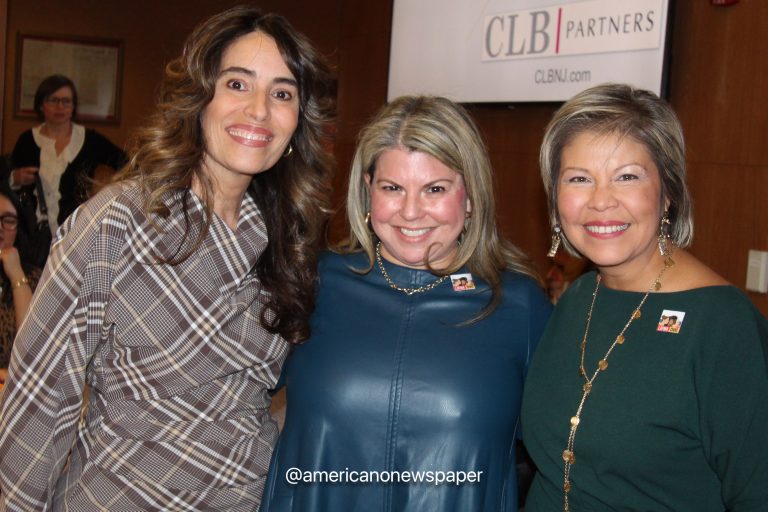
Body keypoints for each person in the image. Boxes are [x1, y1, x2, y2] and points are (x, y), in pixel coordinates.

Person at [0, 5, 335, 510]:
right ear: (199, 99)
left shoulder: (290, 238)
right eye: (238, 84)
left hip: (245, 496)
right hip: (117, 494)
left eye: (282, 93)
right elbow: (42, 395)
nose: (260, 110)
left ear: (297, 122)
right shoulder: (118, 219)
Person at [260, 95, 552, 511]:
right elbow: (223, 400)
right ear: (368, 191)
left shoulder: (520, 307)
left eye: (434, 189)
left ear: (470, 197)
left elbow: (572, 450)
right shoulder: (312, 283)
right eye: (393, 188)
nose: (411, 212)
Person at [521, 83, 768, 511]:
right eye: (579, 179)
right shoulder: (579, 295)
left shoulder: (723, 325)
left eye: (627, 177)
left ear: (667, 192)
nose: (600, 201)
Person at [5, 74, 128, 267]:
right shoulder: (27, 141)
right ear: (40, 105)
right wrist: (15, 178)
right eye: (53, 100)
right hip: (32, 237)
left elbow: (127, 163)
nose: (60, 107)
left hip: (76, 234)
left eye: (66, 101)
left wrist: (107, 192)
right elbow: (6, 179)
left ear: (73, 106)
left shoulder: (89, 140)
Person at [0, 180, 41, 388]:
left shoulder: (34, 277)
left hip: (15, 391)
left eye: (8, 220)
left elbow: (31, 348)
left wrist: (16, 275)